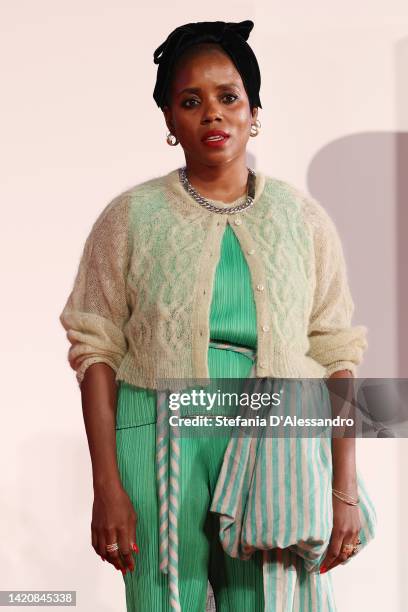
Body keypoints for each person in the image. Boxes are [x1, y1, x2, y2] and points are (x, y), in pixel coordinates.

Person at [59, 20, 369, 612]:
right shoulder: (130, 217)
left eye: (229, 97)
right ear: (170, 122)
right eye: (190, 101)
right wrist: (106, 486)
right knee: (162, 597)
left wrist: (343, 487)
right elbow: (95, 348)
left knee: (269, 601)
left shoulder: (301, 220)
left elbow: (336, 352)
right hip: (154, 433)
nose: (213, 115)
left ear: (254, 110)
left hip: (275, 435)